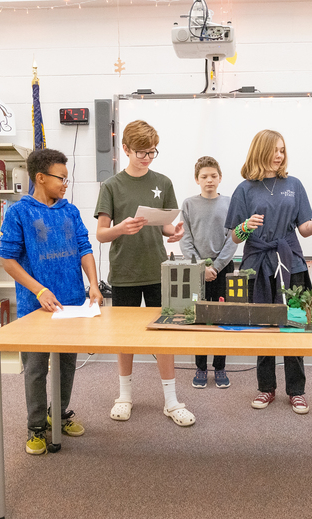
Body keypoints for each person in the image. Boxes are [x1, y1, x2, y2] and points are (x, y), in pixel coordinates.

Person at [225, 129, 312, 415]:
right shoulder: (244, 189)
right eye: (274, 150)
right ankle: (266, 388)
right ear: (260, 151)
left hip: (291, 263)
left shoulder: (294, 184)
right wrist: (245, 227)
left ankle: (297, 391)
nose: (279, 155)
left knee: (294, 326)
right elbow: (234, 237)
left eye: (282, 150)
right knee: (264, 328)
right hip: (257, 264)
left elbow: (305, 228)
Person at [0, 148, 103, 455]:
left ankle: (57, 414)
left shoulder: (69, 211)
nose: (65, 184)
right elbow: (8, 260)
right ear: (40, 178)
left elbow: (84, 248)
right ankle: (35, 426)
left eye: (67, 178)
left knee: (66, 365)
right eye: (61, 178)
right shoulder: (19, 212)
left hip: (71, 302)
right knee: (35, 368)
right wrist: (40, 290)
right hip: (36, 307)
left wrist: (94, 285)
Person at [94, 120, 195, 427]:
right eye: (141, 152)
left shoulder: (163, 182)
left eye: (152, 152)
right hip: (124, 272)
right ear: (125, 149)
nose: (147, 157)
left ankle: (171, 401)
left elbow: (164, 225)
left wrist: (173, 232)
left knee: (165, 335)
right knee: (124, 339)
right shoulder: (111, 186)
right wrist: (120, 228)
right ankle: (124, 396)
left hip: (155, 269)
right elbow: (100, 234)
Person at [180, 156, 238, 389]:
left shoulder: (230, 203)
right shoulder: (188, 204)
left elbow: (234, 238)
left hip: (223, 268)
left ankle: (220, 367)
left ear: (220, 177)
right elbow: (185, 240)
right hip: (198, 270)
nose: (209, 180)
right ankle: (201, 367)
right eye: (204, 176)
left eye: (213, 175)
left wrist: (215, 267)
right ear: (197, 179)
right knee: (200, 319)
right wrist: (201, 267)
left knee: (222, 318)